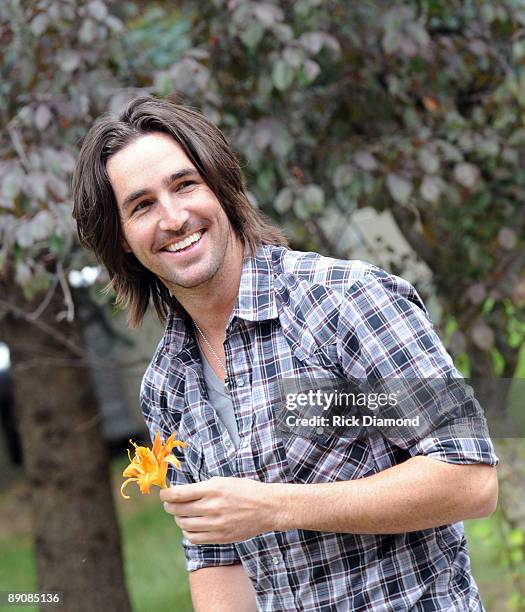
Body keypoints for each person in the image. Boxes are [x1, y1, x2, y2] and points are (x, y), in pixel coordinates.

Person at [73, 96, 498, 612]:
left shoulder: (344, 304)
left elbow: (469, 478)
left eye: (186, 185)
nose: (174, 217)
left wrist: (276, 507)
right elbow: (216, 559)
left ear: (223, 190)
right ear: (121, 240)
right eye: (141, 205)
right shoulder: (168, 387)